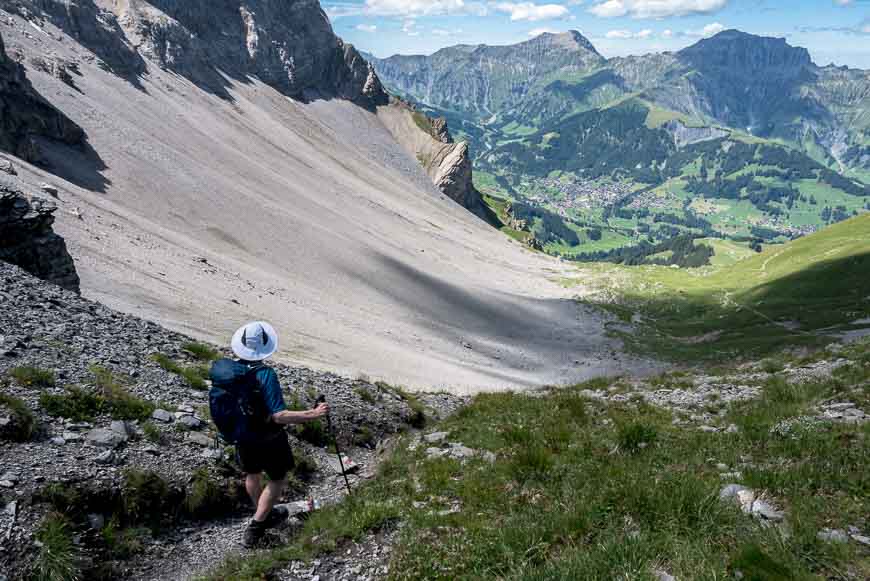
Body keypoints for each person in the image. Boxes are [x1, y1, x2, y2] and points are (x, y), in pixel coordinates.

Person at [227, 321, 329, 548]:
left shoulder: (231, 371)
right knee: (277, 478)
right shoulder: (265, 374)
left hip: (242, 435)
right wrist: (313, 414)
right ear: (265, 347)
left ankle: (263, 511)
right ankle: (256, 527)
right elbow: (279, 415)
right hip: (268, 438)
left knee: (252, 474)